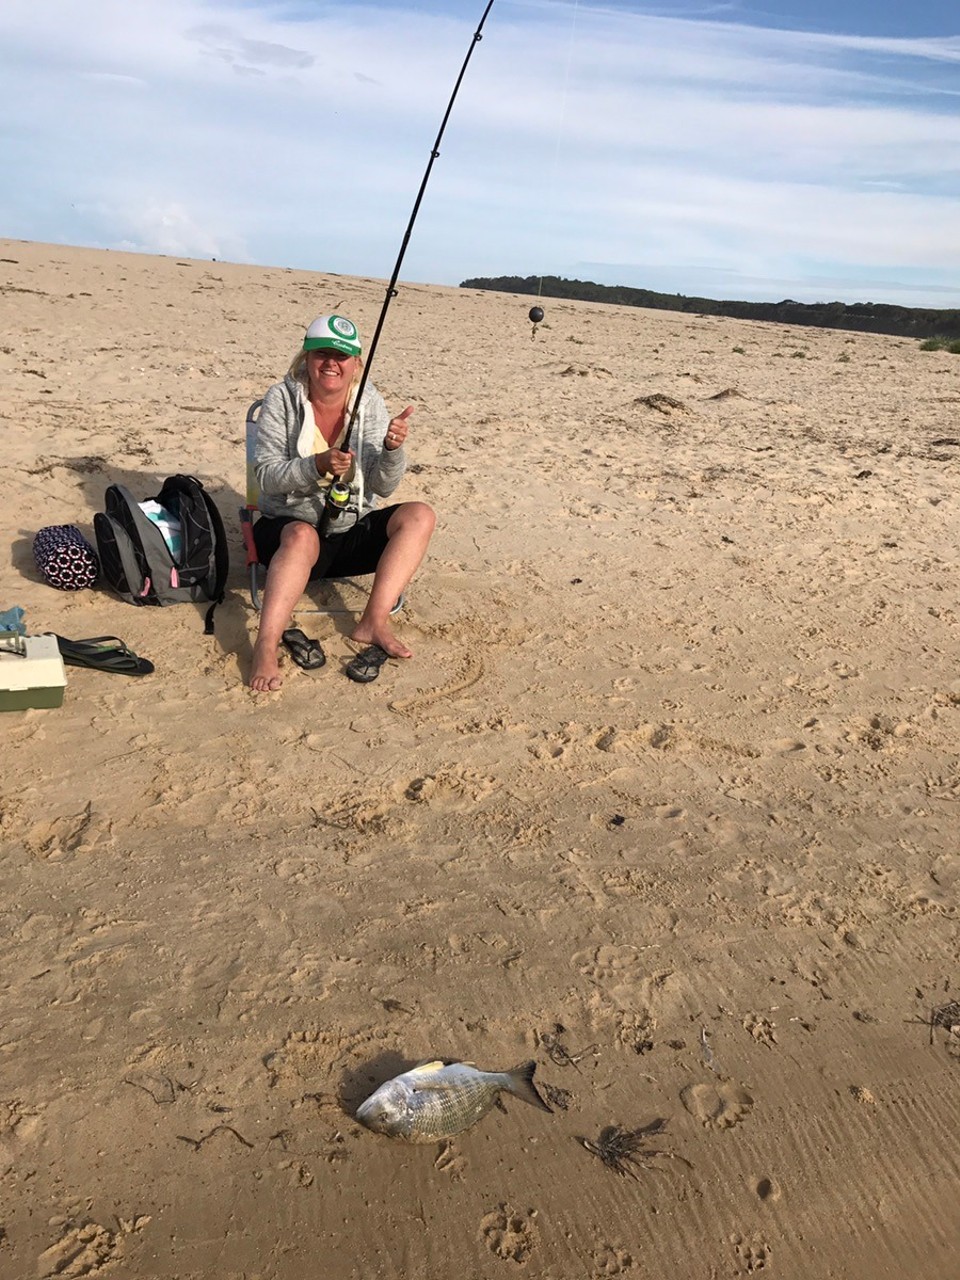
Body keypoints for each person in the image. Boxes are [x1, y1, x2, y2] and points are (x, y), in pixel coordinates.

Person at [248, 314, 435, 692]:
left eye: (342, 356)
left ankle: (374, 622)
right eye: (322, 354)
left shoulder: (369, 402)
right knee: (301, 536)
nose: (331, 363)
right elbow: (265, 478)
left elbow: (382, 486)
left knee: (420, 515)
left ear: (355, 364)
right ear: (307, 358)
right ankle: (266, 644)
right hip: (289, 534)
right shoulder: (281, 398)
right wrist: (315, 464)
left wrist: (392, 449)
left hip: (347, 529)